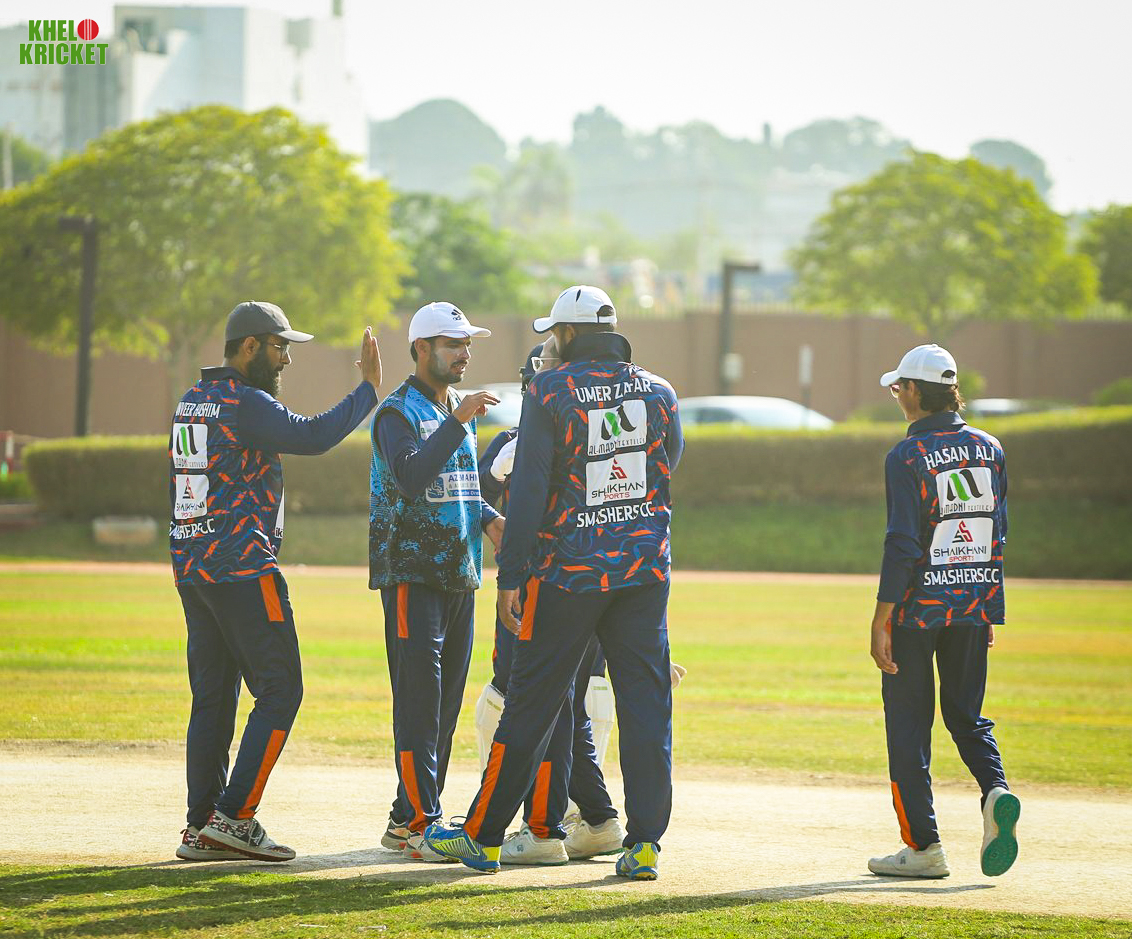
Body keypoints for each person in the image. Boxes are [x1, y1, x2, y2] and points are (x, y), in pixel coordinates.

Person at [425, 285, 684, 880]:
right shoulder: (660, 390)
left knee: (531, 702)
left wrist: (512, 575)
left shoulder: (550, 389)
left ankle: (483, 837)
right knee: (646, 706)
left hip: (567, 572)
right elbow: (669, 459)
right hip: (644, 571)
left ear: (566, 335)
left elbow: (529, 489)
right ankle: (644, 844)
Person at [172, 301, 382, 863]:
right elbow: (314, 436)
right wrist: (367, 390)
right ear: (249, 347)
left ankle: (202, 825)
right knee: (281, 689)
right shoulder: (244, 402)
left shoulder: (192, 400)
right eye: (279, 346)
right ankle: (234, 818)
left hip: (194, 569)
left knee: (213, 699)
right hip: (242, 567)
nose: (286, 359)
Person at [867, 343, 1020, 879]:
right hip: (973, 603)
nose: (896, 395)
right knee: (967, 716)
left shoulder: (906, 455)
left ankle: (924, 848)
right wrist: (985, 606)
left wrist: (881, 617)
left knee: (908, 726)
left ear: (913, 391)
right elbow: (997, 531)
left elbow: (903, 543)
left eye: (898, 387)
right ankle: (995, 790)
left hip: (916, 610)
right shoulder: (990, 447)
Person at [473, 339, 626, 865]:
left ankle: (541, 828)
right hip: (576, 587)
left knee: (533, 707)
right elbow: (474, 495)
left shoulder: (576, 438)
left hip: (548, 587)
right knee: (562, 708)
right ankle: (597, 819)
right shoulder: (517, 441)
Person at [369, 301, 505, 863]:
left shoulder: (454, 408)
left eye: (467, 343)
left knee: (444, 707)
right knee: (419, 703)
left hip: (458, 573)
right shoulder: (396, 412)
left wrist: (491, 521)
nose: (464, 353)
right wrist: (458, 422)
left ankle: (406, 819)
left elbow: (459, 483)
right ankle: (424, 822)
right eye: (453, 343)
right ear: (421, 348)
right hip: (411, 573)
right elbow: (410, 476)